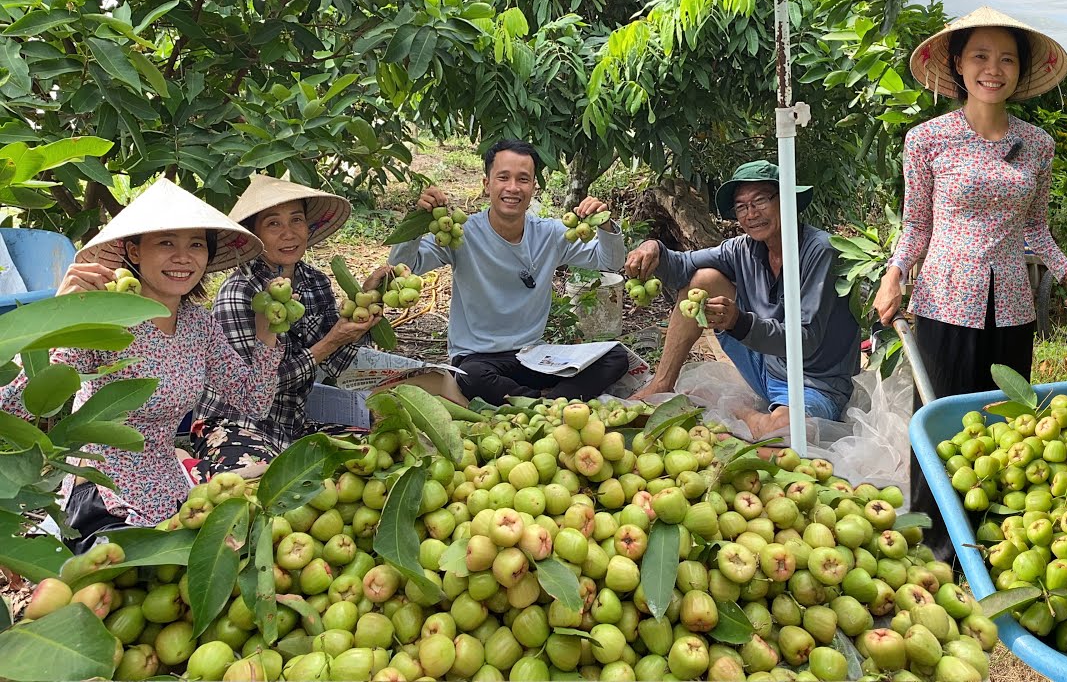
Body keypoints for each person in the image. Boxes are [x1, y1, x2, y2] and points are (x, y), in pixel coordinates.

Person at [871, 7, 1067, 554]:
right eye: (979, 56)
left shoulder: (1037, 145)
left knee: (1007, 423)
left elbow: (1036, 228)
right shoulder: (928, 140)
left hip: (1014, 306)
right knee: (940, 419)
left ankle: (993, 540)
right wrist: (895, 273)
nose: (992, 69)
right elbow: (917, 224)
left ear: (1020, 71)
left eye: (1006, 59)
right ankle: (932, 545)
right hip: (947, 300)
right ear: (957, 64)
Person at [0, 179, 282, 548]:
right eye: (166, 242)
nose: (183, 257)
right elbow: (12, 406)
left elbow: (253, 402)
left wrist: (267, 333)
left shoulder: (199, 324)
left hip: (169, 491)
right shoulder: (103, 322)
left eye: (196, 244)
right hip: (104, 495)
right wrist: (57, 320)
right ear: (133, 251)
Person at [625, 160, 861, 439]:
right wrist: (653, 248)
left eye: (760, 200)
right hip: (767, 368)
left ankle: (744, 413)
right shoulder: (743, 249)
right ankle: (662, 383)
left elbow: (805, 340)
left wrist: (738, 322)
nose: (751, 214)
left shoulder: (820, 251)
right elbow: (681, 268)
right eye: (741, 206)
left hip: (814, 382)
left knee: (784, 432)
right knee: (703, 281)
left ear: (787, 200)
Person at [387, 139, 629, 404]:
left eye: (523, 179)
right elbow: (406, 268)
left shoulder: (550, 234)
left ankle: (537, 405)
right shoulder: (461, 234)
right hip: (479, 360)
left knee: (615, 357)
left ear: (534, 187)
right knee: (471, 376)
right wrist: (417, 221)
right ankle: (552, 404)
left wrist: (604, 223)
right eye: (503, 177)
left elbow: (609, 261)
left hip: (533, 357)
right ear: (487, 184)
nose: (513, 188)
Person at [191, 175, 383, 480]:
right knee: (252, 481)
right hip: (233, 425)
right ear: (254, 236)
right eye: (273, 224)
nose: (289, 233)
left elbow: (337, 364)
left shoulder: (315, 283)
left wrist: (366, 306)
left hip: (291, 426)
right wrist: (328, 344)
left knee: (377, 452)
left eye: (296, 220)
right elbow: (251, 394)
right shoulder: (239, 293)